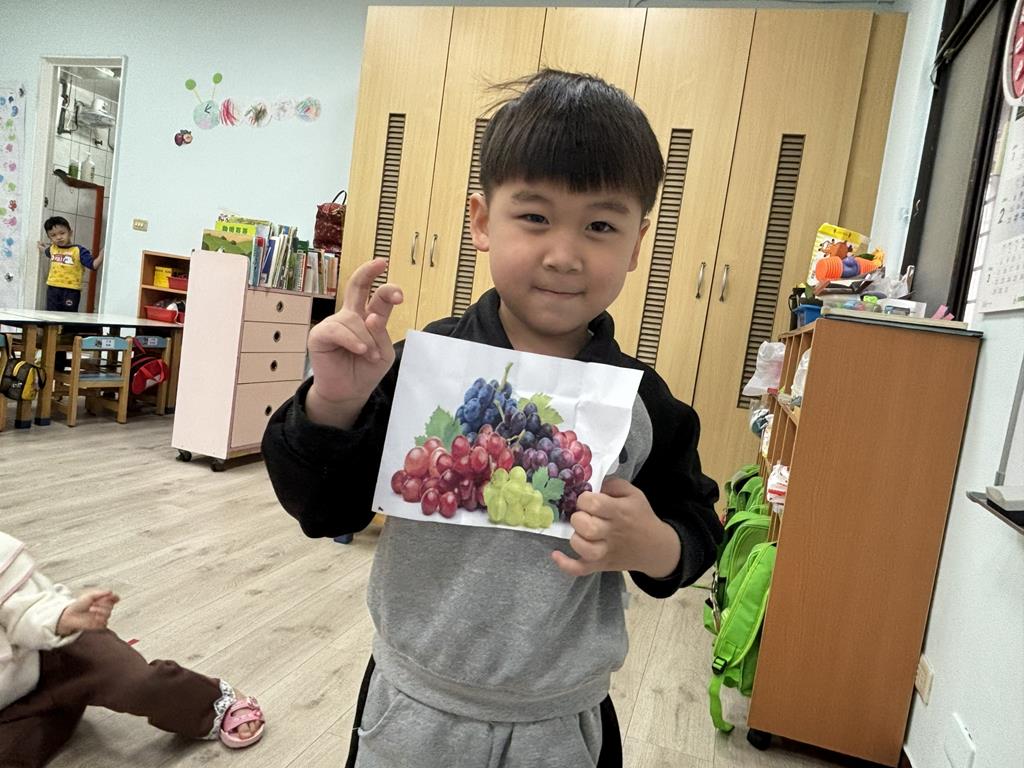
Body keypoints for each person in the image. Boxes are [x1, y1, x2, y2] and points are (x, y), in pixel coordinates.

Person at [262, 69, 721, 768]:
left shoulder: (641, 402)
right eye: (534, 217)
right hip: (411, 707)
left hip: (558, 722)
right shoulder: (417, 370)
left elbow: (696, 527)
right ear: (481, 221)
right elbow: (325, 508)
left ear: (636, 244)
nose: (563, 255)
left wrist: (652, 544)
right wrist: (335, 404)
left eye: (600, 226)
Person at [0, 530, 266, 768]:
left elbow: (25, 605)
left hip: (54, 646)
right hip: (11, 699)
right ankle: (58, 708)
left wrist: (61, 618)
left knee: (134, 681)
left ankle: (211, 700)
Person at [37, 216, 102, 313]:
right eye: (53, 235)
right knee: (51, 315)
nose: (58, 237)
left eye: (62, 233)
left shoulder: (78, 250)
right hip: (52, 288)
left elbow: (93, 265)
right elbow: (46, 251)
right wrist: (40, 246)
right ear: (49, 238)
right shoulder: (53, 249)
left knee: (69, 316)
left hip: (71, 290)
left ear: (70, 233)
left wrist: (102, 255)